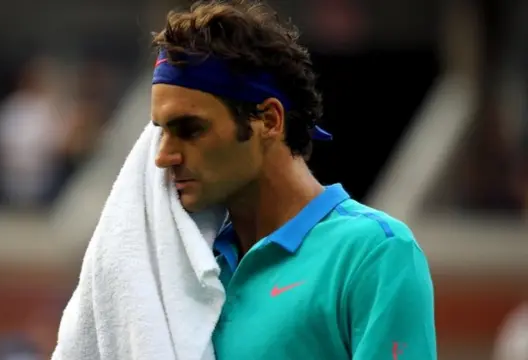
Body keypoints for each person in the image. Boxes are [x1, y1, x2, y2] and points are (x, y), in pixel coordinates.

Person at [149, 0, 436, 359]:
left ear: (269, 120)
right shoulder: (190, 262)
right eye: (161, 132)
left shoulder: (375, 252)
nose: (163, 156)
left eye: (190, 129)